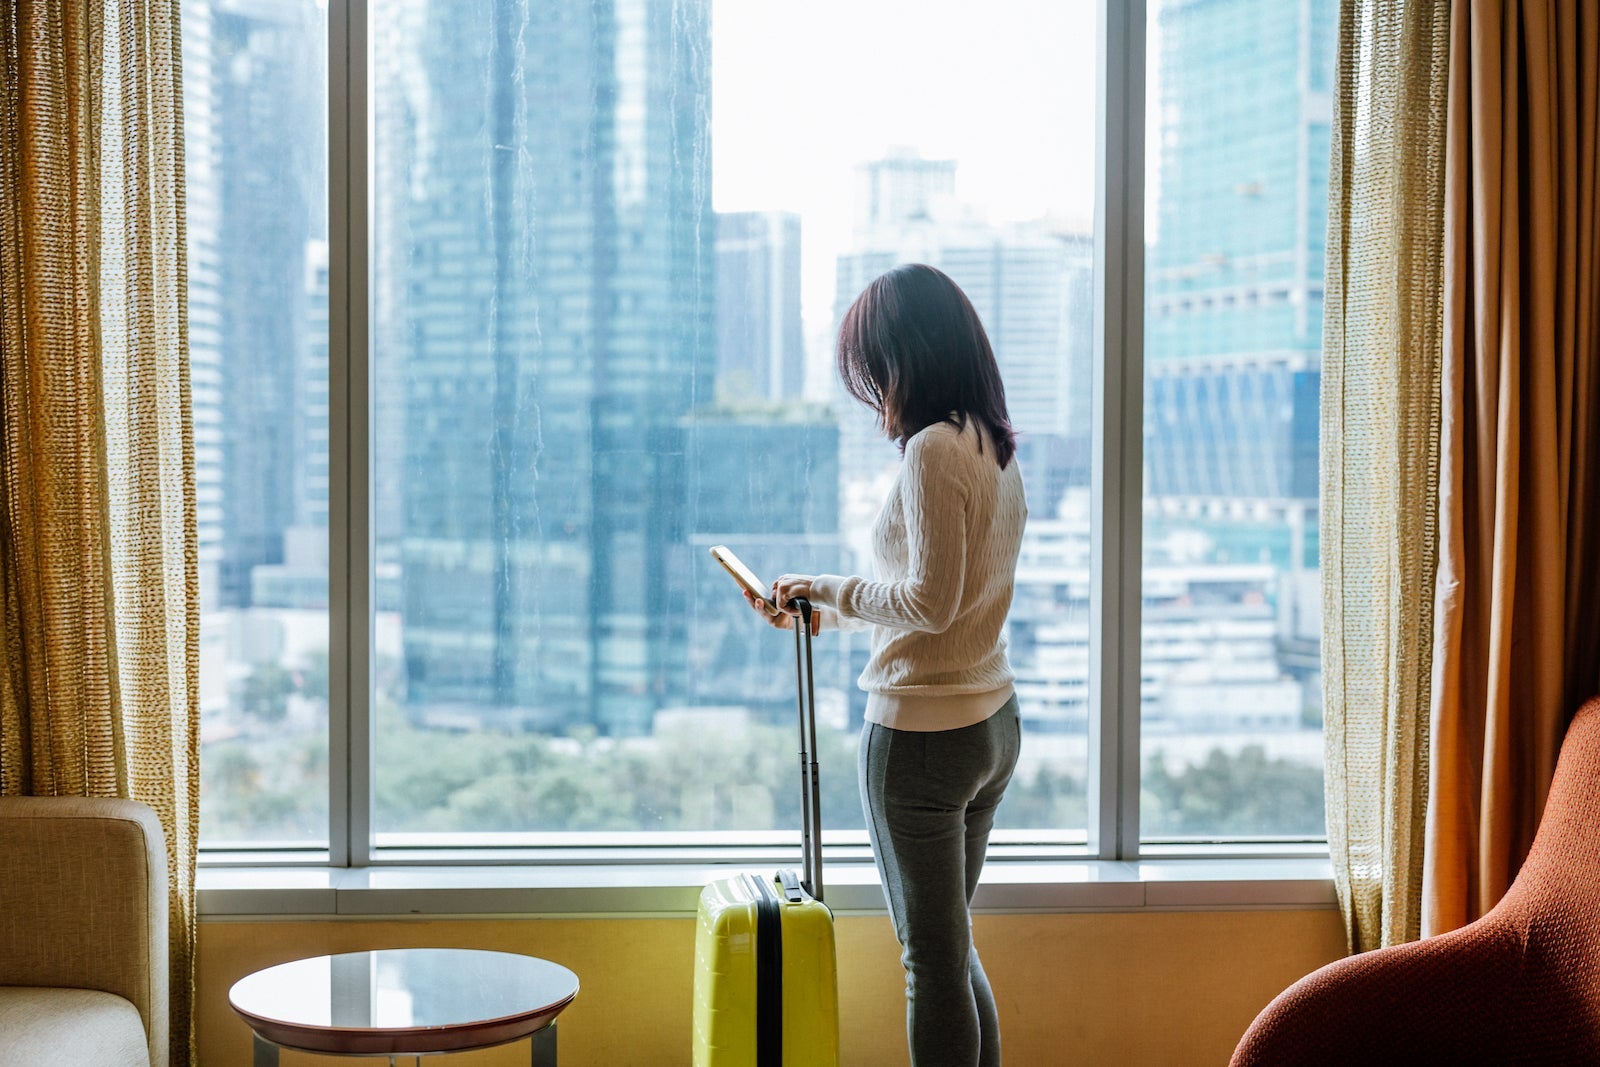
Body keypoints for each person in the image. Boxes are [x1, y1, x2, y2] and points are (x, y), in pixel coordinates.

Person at [744, 263, 1026, 1067]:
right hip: (990, 722)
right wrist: (823, 608)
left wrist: (832, 585)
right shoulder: (991, 442)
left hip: (923, 738)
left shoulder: (933, 450)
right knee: (952, 944)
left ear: (907, 358)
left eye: (874, 370)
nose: (873, 391)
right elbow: (953, 598)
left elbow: (930, 602)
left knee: (931, 957)